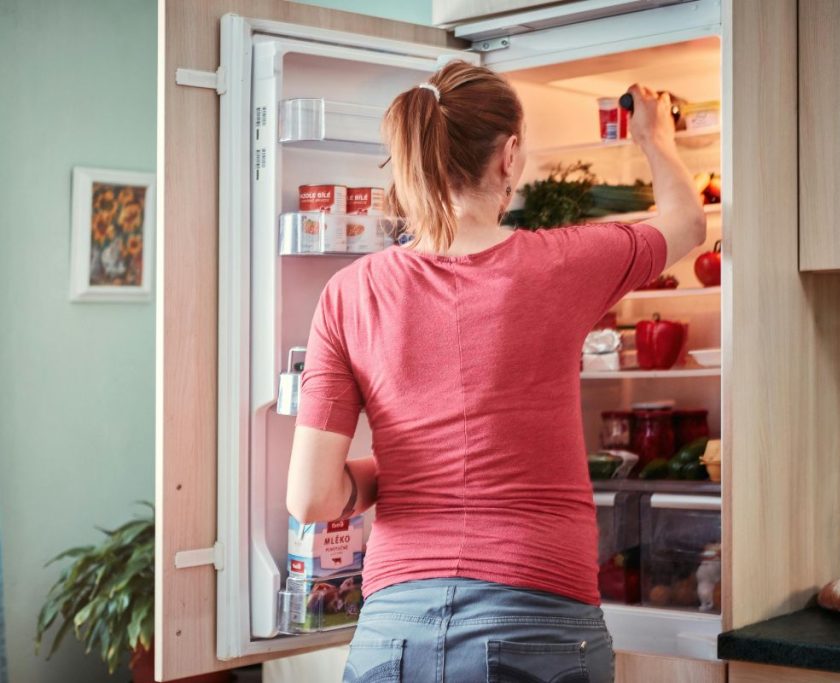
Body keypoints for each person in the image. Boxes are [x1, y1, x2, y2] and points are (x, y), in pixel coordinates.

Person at [286, 60, 706, 683]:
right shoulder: (561, 263)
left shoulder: (350, 293)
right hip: (537, 614)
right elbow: (688, 223)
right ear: (508, 156)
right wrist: (654, 136)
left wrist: (405, 466)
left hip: (393, 630)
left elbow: (311, 497)